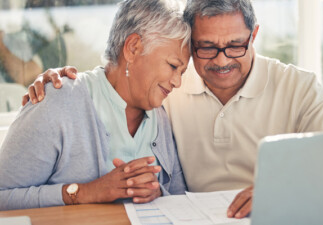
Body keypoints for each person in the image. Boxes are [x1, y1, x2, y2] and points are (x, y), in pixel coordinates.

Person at [22, 0, 323, 218]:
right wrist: (56, 80)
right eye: (206, 48)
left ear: (254, 36)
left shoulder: (298, 86)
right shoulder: (167, 90)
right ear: (192, 45)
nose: (221, 60)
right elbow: (122, 74)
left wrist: (285, 190)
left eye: (235, 45)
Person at [0, 0, 190, 211]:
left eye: (182, 72)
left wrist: (157, 192)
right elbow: (3, 196)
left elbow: (178, 200)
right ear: (133, 48)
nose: (177, 82)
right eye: (173, 66)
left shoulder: (160, 116)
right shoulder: (56, 102)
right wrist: (85, 192)